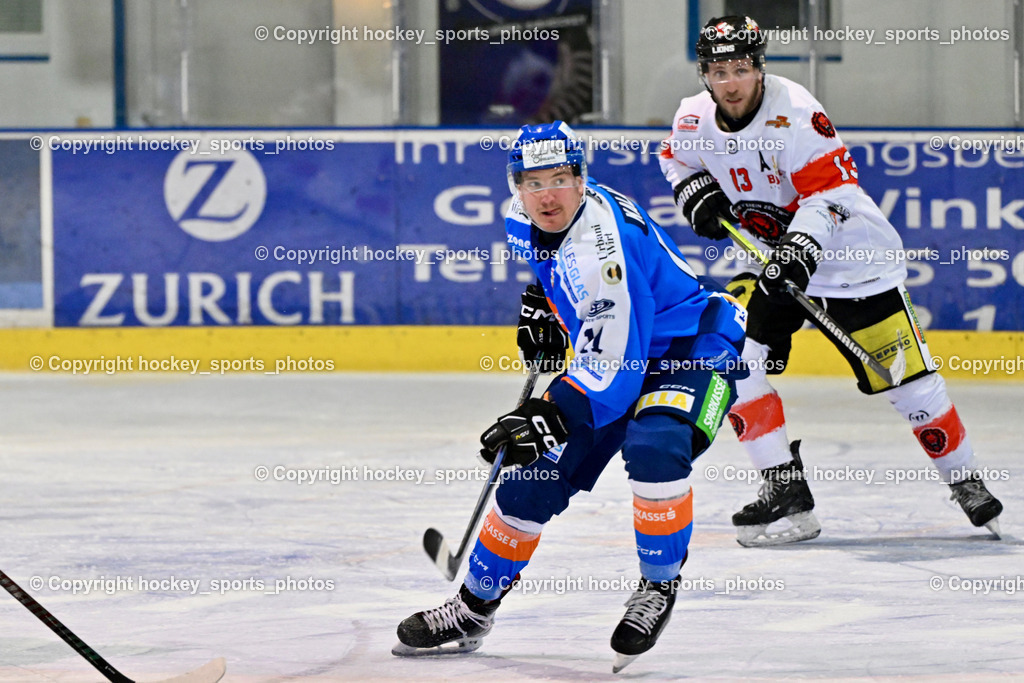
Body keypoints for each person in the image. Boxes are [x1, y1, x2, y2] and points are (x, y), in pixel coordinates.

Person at [393, 121, 748, 672]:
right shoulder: (520, 218)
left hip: (687, 348)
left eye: (559, 179)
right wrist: (543, 304)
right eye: (532, 182)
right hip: (617, 346)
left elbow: (616, 370)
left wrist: (546, 417)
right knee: (528, 484)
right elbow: (557, 278)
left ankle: (658, 586)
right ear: (516, 187)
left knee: (655, 447)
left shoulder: (604, 249)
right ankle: (472, 608)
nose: (546, 195)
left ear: (582, 178)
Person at [659, 15, 1004, 547]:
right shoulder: (691, 117)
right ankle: (785, 489)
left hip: (850, 261)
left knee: (906, 380)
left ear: (759, 67)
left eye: (741, 69)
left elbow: (832, 195)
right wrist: (694, 190)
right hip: (771, 264)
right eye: (718, 70)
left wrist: (802, 248)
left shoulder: (794, 112)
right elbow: (676, 160)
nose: (730, 82)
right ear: (704, 73)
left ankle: (965, 481)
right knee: (730, 360)